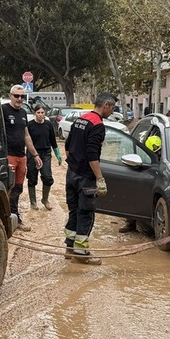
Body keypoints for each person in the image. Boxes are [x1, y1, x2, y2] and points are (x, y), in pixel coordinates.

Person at [63, 92, 117, 263]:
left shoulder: (80, 119)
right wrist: (100, 178)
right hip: (86, 178)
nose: (112, 111)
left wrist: (73, 165)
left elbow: (68, 145)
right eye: (113, 107)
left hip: (71, 174)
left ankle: (69, 249)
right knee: (86, 213)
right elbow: (92, 154)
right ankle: (81, 254)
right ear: (106, 105)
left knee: (73, 211)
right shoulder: (97, 125)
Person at [4, 85, 41, 232]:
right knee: (8, 188)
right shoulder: (3, 110)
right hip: (8, 156)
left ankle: (15, 218)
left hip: (22, 156)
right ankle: (4, 220)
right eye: (16, 96)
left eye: (22, 96)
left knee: (18, 189)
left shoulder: (24, 113)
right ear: (10, 96)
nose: (19, 99)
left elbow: (27, 136)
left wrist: (35, 155)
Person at [26, 105, 62, 210]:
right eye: (38, 112)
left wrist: (58, 154)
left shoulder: (48, 124)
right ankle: (33, 202)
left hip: (46, 153)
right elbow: (27, 141)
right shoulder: (30, 125)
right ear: (34, 113)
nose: (41, 115)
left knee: (47, 177)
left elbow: (53, 141)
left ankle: (45, 199)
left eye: (42, 112)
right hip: (32, 154)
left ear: (45, 113)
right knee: (32, 178)